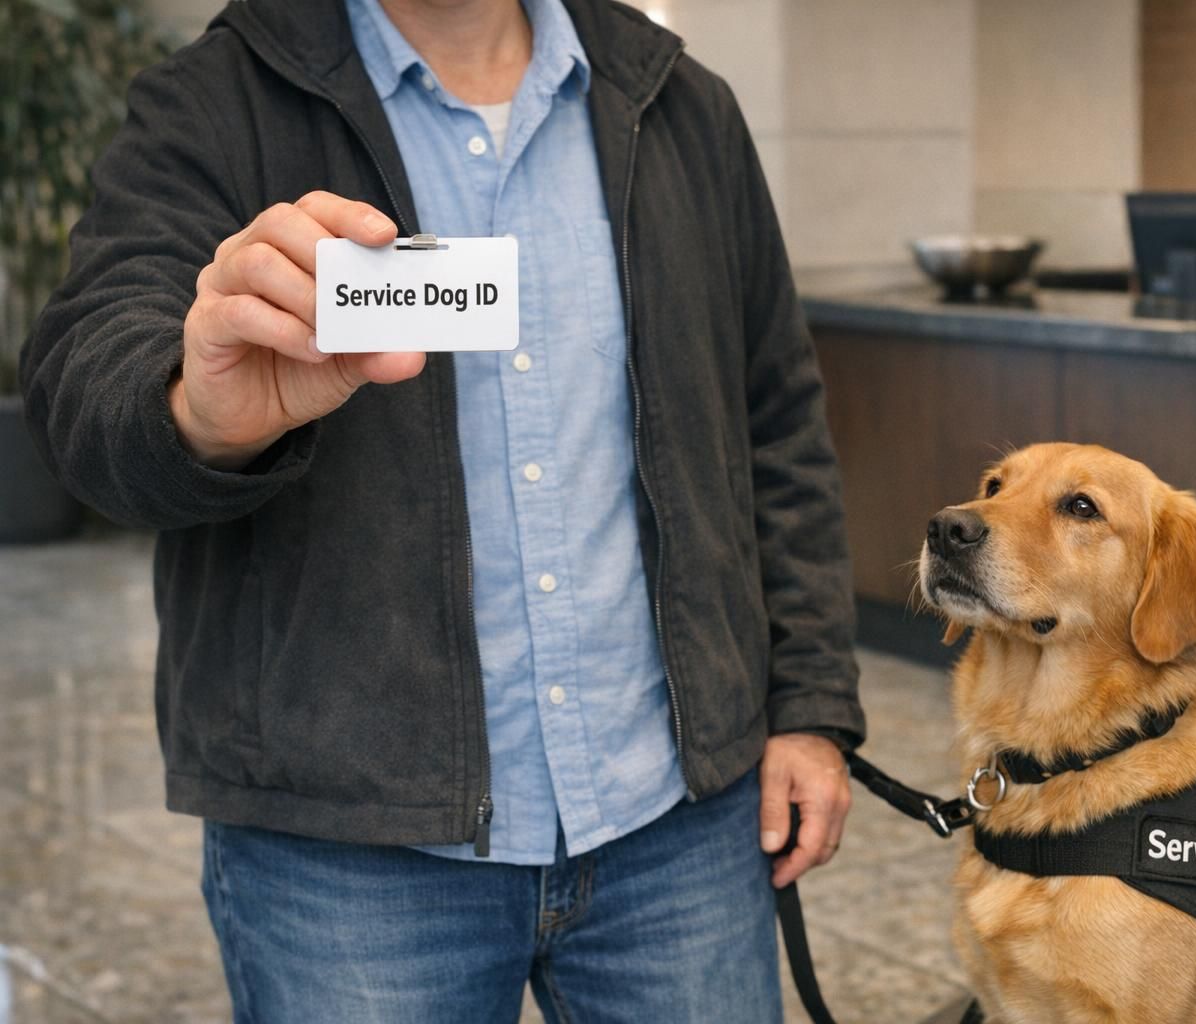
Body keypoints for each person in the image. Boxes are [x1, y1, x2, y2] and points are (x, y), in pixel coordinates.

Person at [20, 0, 864, 1019]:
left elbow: (775, 424)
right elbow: (82, 397)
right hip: (348, 856)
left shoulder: (677, 102)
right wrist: (199, 411)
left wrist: (810, 707)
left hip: (676, 824)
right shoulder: (213, 102)